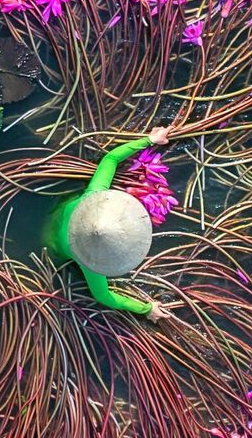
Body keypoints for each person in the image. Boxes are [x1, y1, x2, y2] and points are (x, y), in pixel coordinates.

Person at [48, 125, 170, 318]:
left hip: (56, 217)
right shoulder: (90, 267)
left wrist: (150, 139)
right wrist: (146, 309)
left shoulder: (93, 195)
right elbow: (104, 296)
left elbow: (110, 159)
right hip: (54, 249)